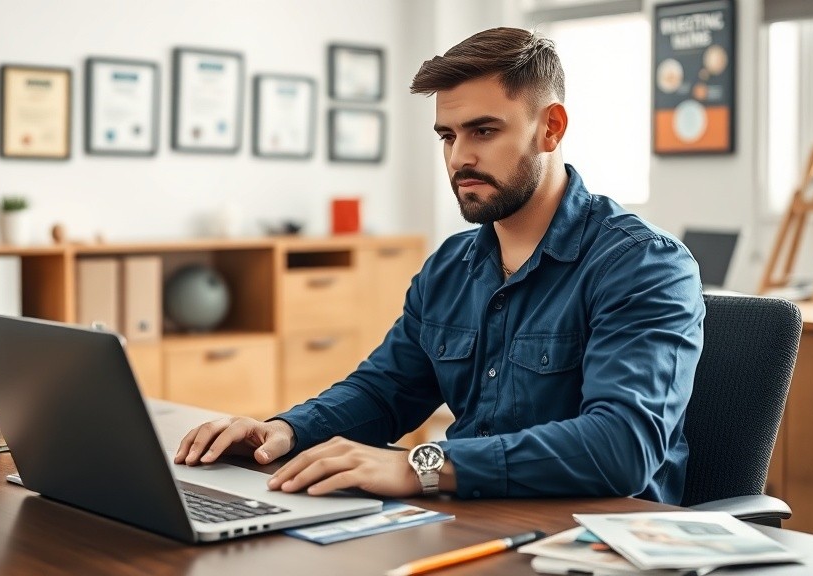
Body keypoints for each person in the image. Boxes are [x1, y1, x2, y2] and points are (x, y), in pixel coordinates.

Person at [174, 27, 704, 504]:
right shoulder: (450, 267)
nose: (458, 158)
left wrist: (421, 465)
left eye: (483, 131)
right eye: (447, 136)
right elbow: (384, 392)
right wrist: (285, 430)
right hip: (474, 521)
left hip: (598, 542)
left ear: (551, 128)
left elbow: (621, 448)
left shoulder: (643, 265)